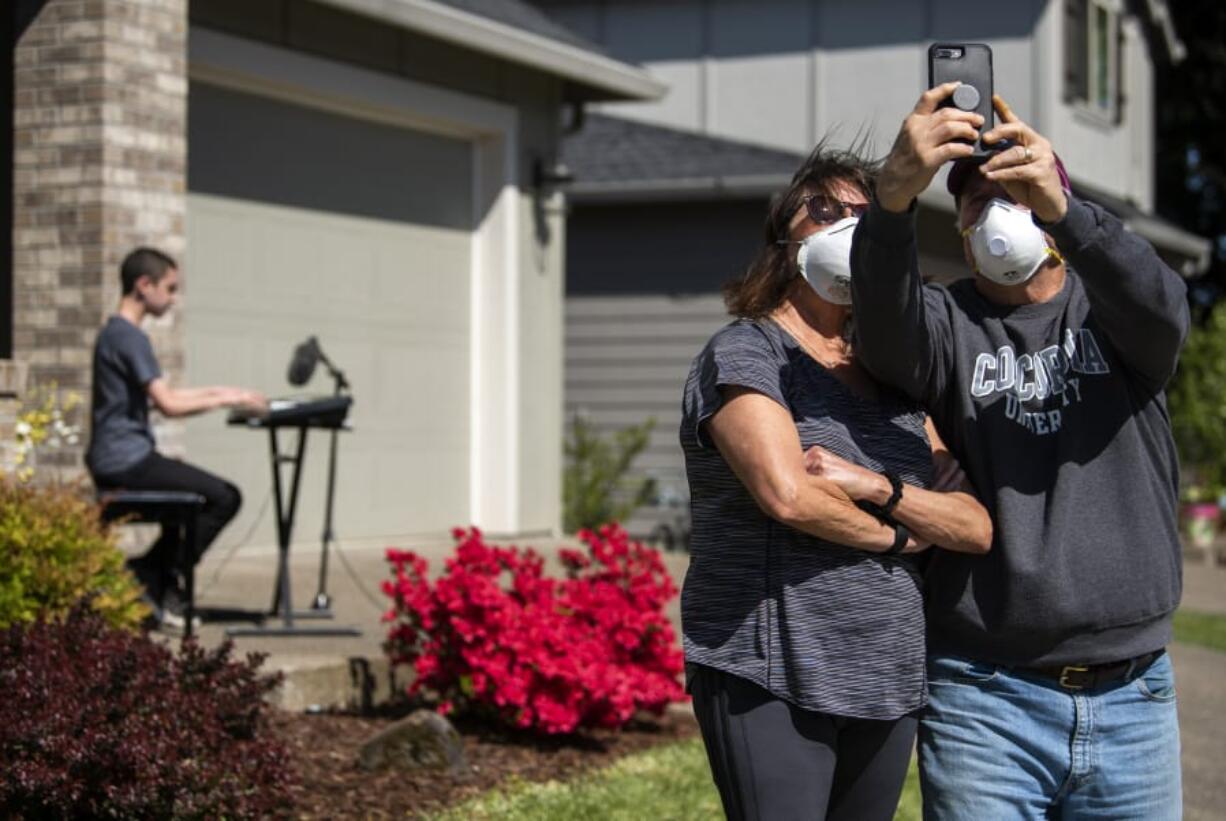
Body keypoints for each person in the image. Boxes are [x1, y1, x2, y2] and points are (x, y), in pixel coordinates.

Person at [851, 84, 1188, 819]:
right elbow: (880, 332)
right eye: (974, 201)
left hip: (1135, 695)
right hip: (986, 696)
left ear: (1054, 210)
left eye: (1017, 191)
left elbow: (1163, 306)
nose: (994, 210)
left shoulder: (1112, 314)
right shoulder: (945, 321)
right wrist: (893, 201)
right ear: (962, 230)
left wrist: (1069, 208)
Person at [679, 145, 993, 821]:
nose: (845, 225)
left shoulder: (893, 379)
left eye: (863, 213)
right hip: (772, 668)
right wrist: (905, 536)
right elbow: (787, 494)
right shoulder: (748, 352)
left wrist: (877, 489)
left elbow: (973, 523)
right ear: (783, 237)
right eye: (823, 209)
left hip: (887, 671)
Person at [87, 247, 268, 630]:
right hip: (125, 461)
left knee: (187, 498)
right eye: (169, 288)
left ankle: (153, 575)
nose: (173, 298)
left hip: (120, 456)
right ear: (143, 285)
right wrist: (228, 399)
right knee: (224, 497)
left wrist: (224, 393)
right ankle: (155, 575)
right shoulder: (128, 337)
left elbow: (168, 396)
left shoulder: (115, 334)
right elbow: (168, 404)